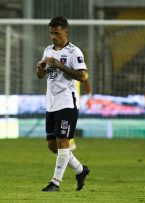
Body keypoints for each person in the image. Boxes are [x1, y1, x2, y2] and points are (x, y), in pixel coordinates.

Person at [36, 16, 90, 191]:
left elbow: (83, 77)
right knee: (53, 146)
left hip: (67, 102)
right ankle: (81, 170)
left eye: (57, 33)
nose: (53, 37)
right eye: (51, 33)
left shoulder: (75, 52)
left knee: (62, 141)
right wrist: (39, 69)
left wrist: (60, 65)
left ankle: (55, 183)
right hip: (51, 104)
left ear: (66, 32)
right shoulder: (47, 50)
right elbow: (41, 76)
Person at [69, 78, 92, 151]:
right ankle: (69, 144)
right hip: (61, 99)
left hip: (73, 100)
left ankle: (70, 144)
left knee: (68, 123)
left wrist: (89, 98)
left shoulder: (79, 66)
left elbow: (85, 80)